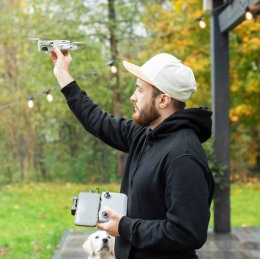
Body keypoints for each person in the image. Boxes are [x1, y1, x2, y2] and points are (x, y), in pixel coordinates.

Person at [50, 46, 214, 259]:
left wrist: (125, 227)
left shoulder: (184, 156)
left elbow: (187, 232)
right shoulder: (145, 134)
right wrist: (62, 74)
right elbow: (98, 121)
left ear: (163, 100)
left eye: (140, 90)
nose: (132, 96)